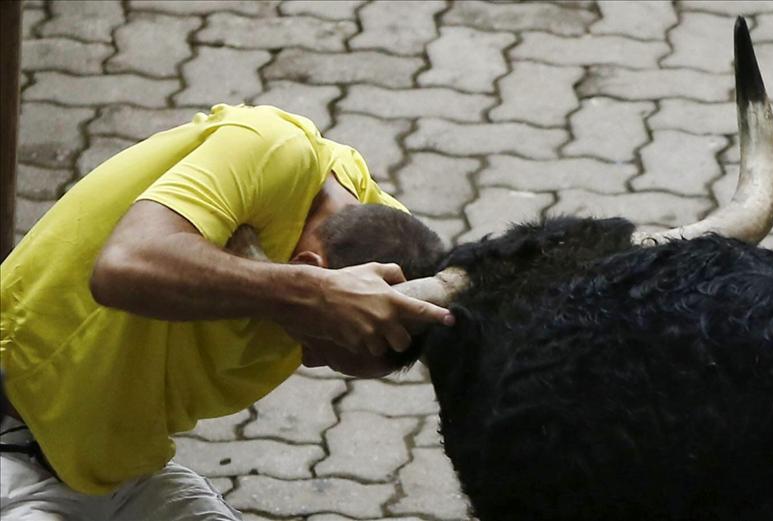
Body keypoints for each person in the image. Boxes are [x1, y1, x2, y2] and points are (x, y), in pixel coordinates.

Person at [0, 103, 454, 519]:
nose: (309, 361)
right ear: (310, 269)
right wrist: (310, 294)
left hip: (116, 472)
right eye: (321, 343)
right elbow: (122, 267)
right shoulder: (270, 149)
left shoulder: (391, 249)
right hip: (13, 437)